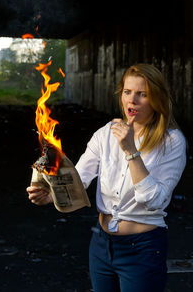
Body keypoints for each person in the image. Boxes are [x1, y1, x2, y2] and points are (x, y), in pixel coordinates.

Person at [27, 63, 186, 292]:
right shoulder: (105, 134)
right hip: (102, 246)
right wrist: (51, 196)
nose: (132, 100)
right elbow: (79, 179)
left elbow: (155, 200)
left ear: (157, 99)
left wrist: (131, 151)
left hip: (143, 249)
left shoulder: (172, 142)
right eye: (127, 92)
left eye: (143, 94)